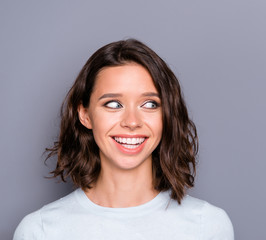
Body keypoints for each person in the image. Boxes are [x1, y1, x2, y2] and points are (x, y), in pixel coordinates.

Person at [13, 39, 234, 239]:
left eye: (149, 104)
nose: (132, 121)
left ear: (167, 116)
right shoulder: (40, 231)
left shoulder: (207, 227)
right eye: (113, 104)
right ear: (85, 115)